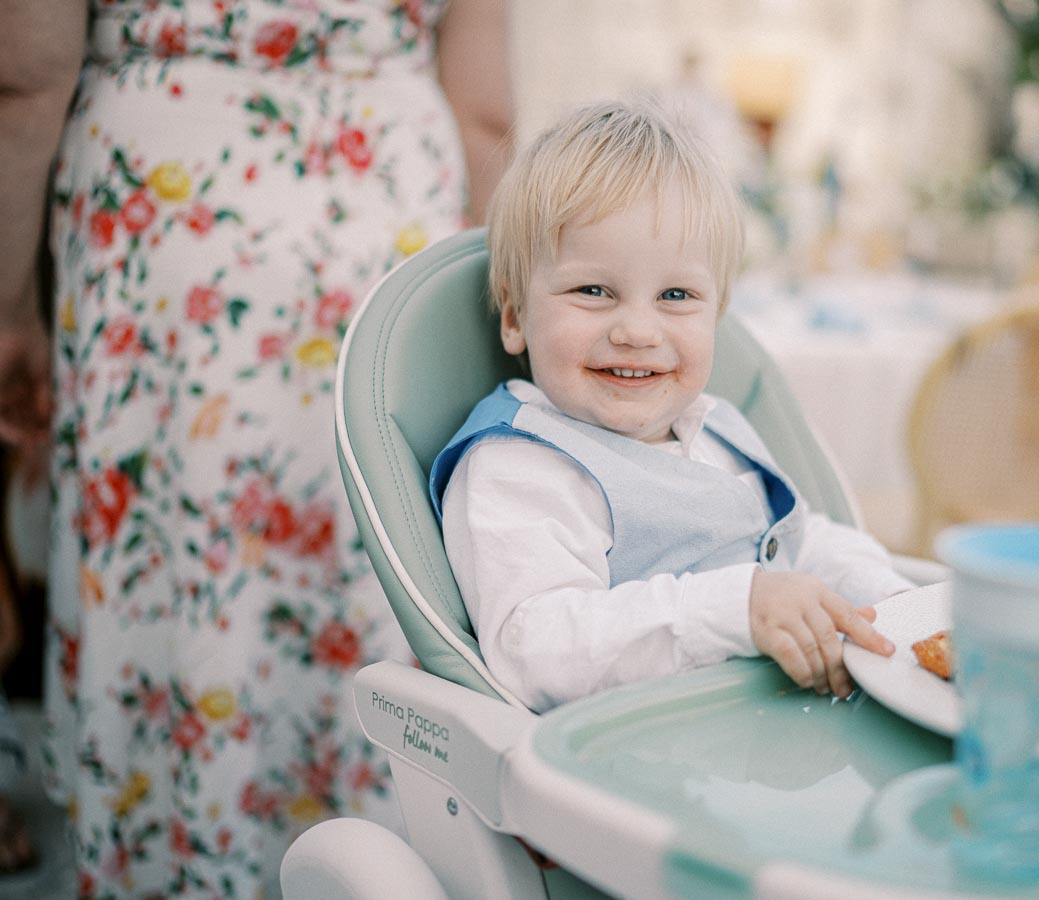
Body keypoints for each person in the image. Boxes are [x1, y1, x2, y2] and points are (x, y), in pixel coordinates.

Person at [0, 0, 513, 895]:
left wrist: (8, 308)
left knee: (181, 544)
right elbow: (488, 114)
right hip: (387, 203)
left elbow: (28, 71)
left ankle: (176, 857)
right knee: (372, 533)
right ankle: (373, 865)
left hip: (168, 204)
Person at [429, 100, 905, 713]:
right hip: (632, 766)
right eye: (593, 290)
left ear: (717, 313)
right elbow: (534, 646)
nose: (636, 330)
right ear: (517, 314)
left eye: (675, 294)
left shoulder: (712, 433)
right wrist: (739, 608)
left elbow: (800, 544)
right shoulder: (521, 467)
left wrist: (892, 606)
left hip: (773, 743)